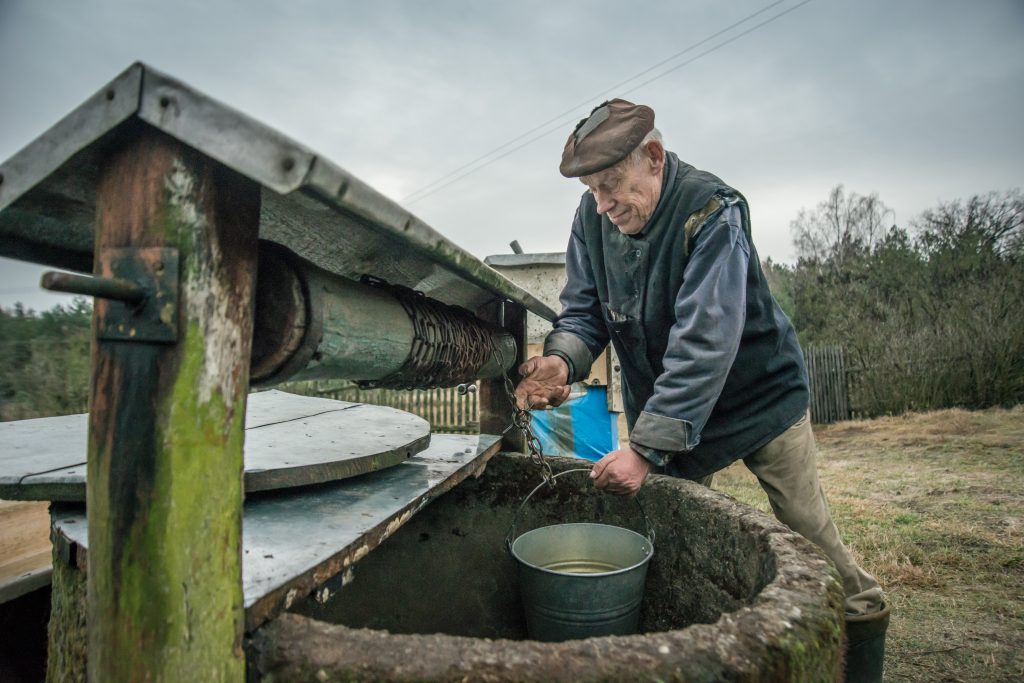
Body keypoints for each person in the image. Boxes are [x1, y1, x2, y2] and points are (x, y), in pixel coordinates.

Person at [515, 99, 889, 681]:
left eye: (610, 185)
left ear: (655, 158)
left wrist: (643, 449)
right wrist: (562, 360)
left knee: (805, 534)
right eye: (591, 190)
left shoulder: (713, 211)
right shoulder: (593, 220)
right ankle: (674, 654)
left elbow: (705, 340)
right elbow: (584, 310)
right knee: (663, 531)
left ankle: (863, 632)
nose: (602, 204)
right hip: (670, 406)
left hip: (759, 399)